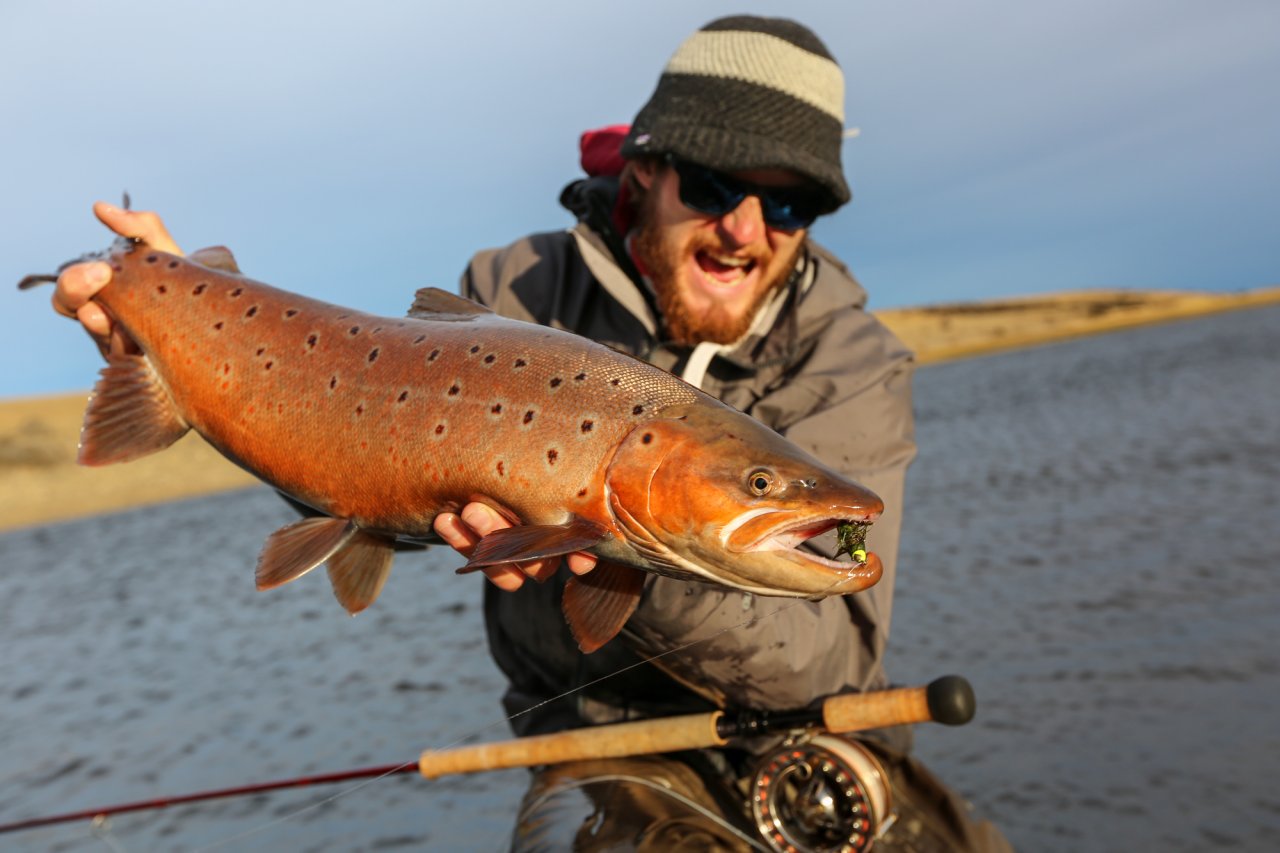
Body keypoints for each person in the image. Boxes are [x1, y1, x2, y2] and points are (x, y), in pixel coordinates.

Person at [53, 15, 1008, 852]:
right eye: (716, 183)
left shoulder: (855, 358)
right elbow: (346, 423)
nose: (746, 228)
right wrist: (181, 309)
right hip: (597, 759)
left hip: (825, 743)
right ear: (646, 167)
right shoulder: (514, 292)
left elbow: (829, 659)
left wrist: (623, 557)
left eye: (790, 203)